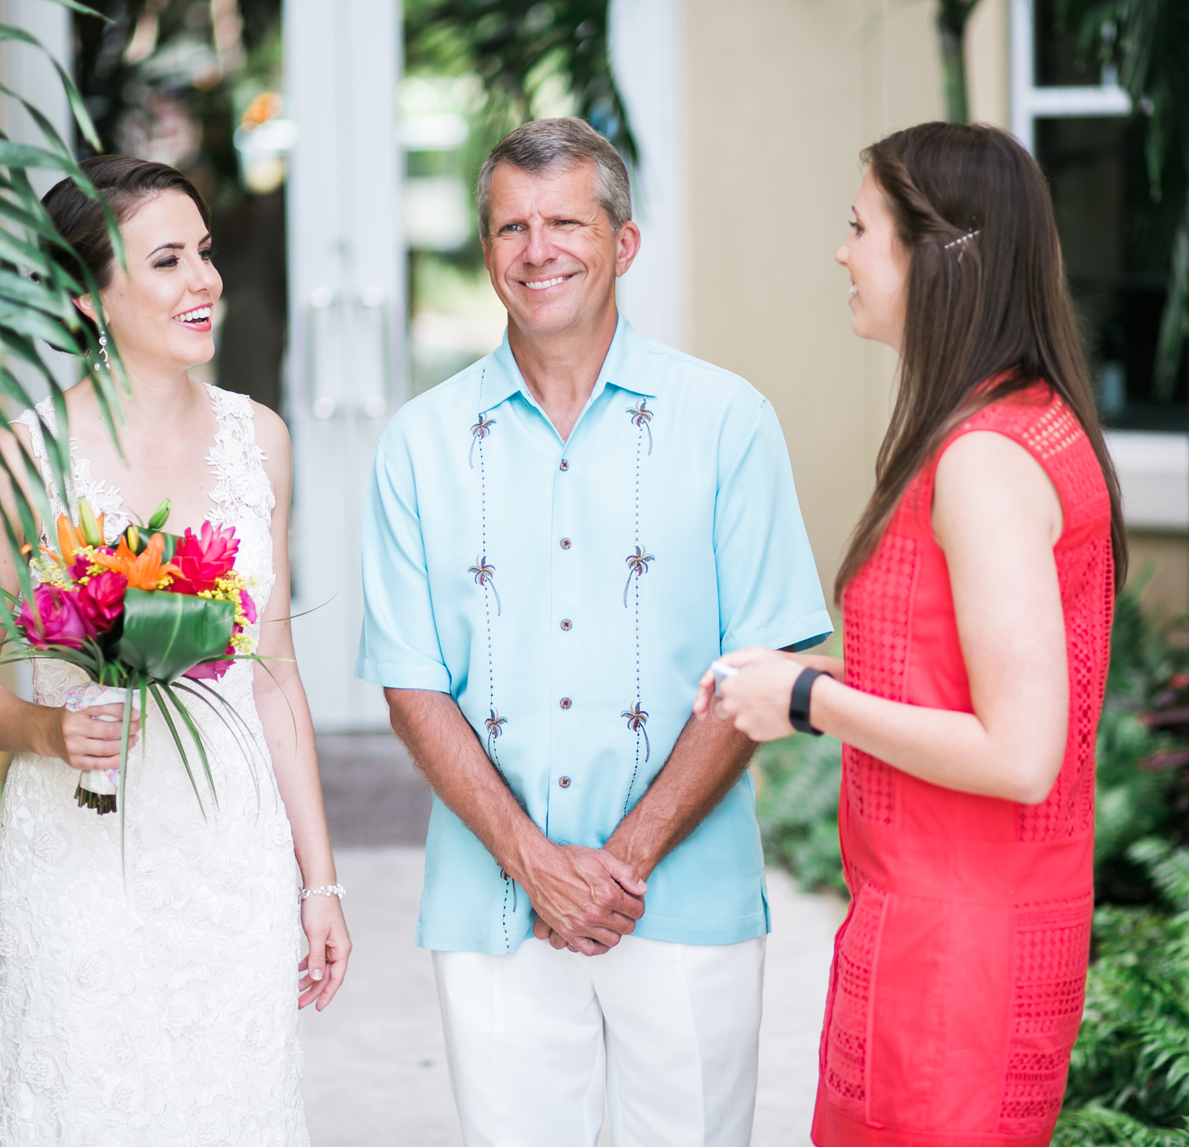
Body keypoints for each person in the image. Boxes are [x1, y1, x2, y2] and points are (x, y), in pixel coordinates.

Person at [358, 117, 832, 1146]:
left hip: (686, 896)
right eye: (509, 228)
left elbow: (763, 660)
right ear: (485, 251)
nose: (538, 251)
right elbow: (409, 684)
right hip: (493, 902)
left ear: (623, 242)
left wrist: (617, 863)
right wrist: (533, 863)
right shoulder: (419, 444)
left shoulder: (727, 420)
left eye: (565, 221)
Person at [698, 122, 1125, 1146]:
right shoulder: (1022, 419)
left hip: (956, 956)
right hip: (946, 929)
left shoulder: (985, 458)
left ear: (934, 256)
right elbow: (966, 681)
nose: (842, 253)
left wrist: (806, 700)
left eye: (859, 228)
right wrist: (813, 677)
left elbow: (1021, 754)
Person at [0, 155, 349, 1146]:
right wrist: (43, 725)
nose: (204, 279)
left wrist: (318, 881)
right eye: (167, 260)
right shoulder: (20, 459)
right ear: (86, 299)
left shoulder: (262, 442)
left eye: (204, 253)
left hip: (230, 860)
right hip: (82, 858)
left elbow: (276, 673)